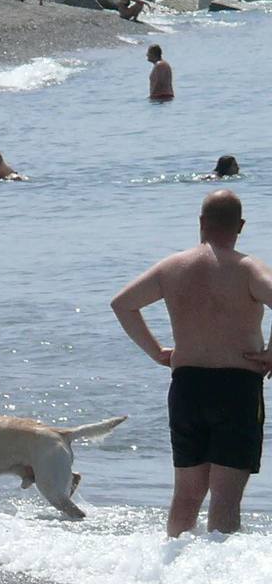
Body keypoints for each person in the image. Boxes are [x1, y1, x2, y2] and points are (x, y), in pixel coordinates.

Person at [111, 190, 272, 536]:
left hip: (186, 387)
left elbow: (123, 304)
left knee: (186, 494)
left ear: (201, 222)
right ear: (240, 226)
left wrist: (156, 352)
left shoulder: (173, 267)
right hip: (237, 388)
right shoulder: (247, 268)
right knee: (225, 498)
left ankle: (173, 577)